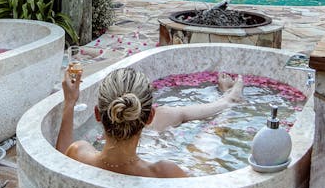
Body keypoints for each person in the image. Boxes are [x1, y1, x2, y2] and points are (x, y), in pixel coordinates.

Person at [55, 66, 244, 178]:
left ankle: (225, 101)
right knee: (205, 137)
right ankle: (228, 102)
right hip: (153, 152)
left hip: (131, 148)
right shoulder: (165, 172)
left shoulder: (78, 152)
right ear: (149, 117)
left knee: (168, 116)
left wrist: (70, 103)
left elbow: (58, 160)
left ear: (97, 114)